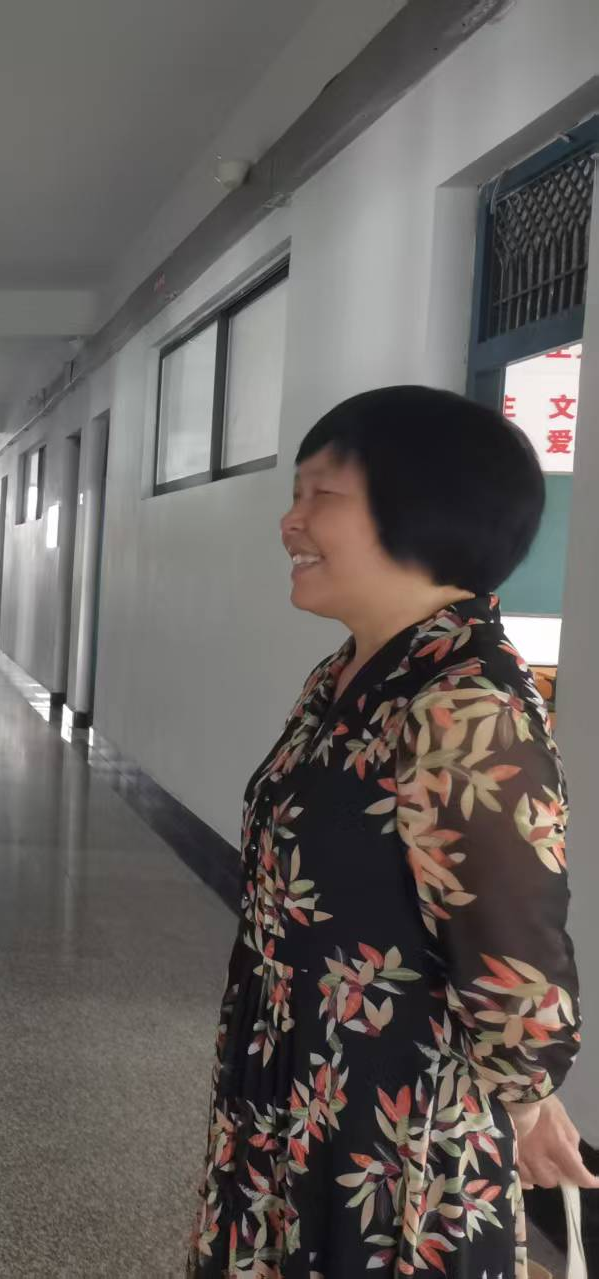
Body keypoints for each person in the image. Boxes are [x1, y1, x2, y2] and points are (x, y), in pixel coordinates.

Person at [190, 386, 592, 1277]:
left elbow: (515, 958)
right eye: (296, 494)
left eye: (322, 495)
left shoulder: (464, 706)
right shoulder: (349, 675)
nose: (290, 522)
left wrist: (526, 1095)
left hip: (392, 1131)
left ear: (426, 509)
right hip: (299, 1084)